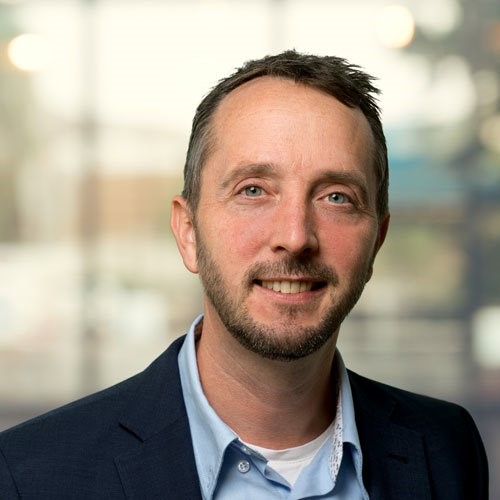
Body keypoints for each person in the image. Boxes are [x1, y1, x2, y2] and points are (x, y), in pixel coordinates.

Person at [0, 50, 488, 499]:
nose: (295, 236)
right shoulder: (29, 475)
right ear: (188, 232)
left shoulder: (447, 447)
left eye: (336, 197)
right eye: (253, 190)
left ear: (377, 240)